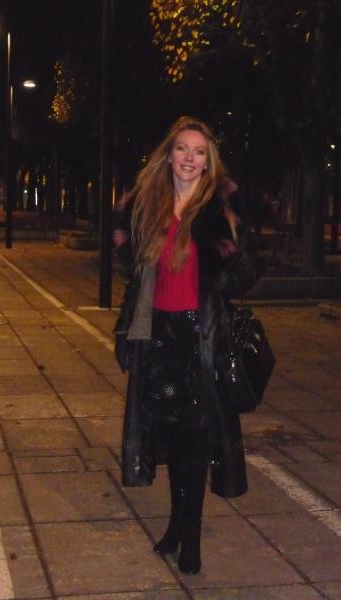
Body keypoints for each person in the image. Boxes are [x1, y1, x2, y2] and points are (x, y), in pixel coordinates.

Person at [113, 116, 258, 575]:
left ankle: (190, 536)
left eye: (199, 151)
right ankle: (176, 524)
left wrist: (220, 278)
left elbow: (249, 270)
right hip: (158, 338)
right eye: (182, 149)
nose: (190, 158)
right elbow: (131, 270)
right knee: (171, 437)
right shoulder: (146, 205)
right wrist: (127, 328)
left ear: (208, 161)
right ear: (169, 155)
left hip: (201, 337)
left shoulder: (222, 210)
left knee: (195, 439)